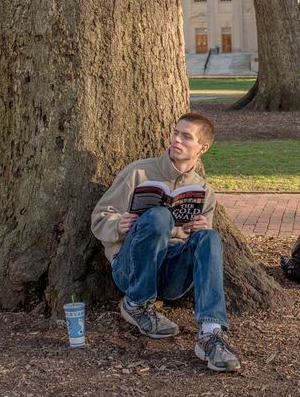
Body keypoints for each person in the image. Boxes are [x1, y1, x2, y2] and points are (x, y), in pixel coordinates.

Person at [91, 113, 241, 373]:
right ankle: (136, 304)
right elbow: (99, 218)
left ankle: (210, 334)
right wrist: (118, 225)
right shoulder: (139, 172)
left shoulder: (203, 191)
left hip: (171, 277)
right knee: (159, 216)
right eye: (175, 133)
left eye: (186, 137)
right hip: (131, 271)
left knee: (210, 237)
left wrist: (198, 230)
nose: (177, 140)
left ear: (202, 148)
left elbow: (200, 249)